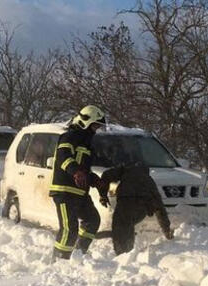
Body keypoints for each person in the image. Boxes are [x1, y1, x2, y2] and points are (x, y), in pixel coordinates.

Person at [50, 105, 106, 259]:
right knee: (69, 229)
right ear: (85, 122)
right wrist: (76, 171)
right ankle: (59, 261)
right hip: (64, 192)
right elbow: (63, 157)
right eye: (94, 125)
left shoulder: (87, 144)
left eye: (98, 127)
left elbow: (84, 170)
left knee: (92, 220)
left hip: (80, 193)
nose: (96, 130)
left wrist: (95, 180)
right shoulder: (68, 137)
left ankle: (78, 254)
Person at [98, 163, 173, 255]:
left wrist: (103, 195)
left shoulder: (125, 171)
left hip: (124, 204)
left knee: (120, 228)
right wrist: (166, 229)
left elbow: (106, 175)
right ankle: (128, 251)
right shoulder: (149, 181)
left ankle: (122, 253)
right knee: (128, 226)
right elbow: (159, 208)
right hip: (140, 209)